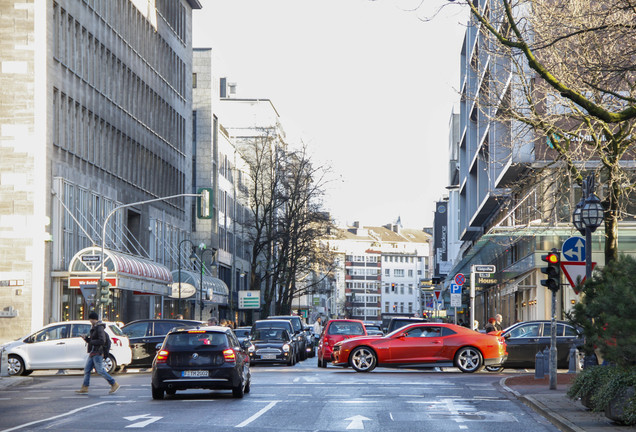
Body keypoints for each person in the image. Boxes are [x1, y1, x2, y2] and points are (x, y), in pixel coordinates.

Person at [76, 311, 119, 395]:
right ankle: (85, 387)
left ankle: (114, 383)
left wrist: (91, 341)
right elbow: (92, 341)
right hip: (93, 352)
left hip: (98, 352)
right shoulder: (95, 327)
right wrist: (86, 338)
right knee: (87, 370)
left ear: (94, 319)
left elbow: (102, 340)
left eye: (91, 319)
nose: (90, 321)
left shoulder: (99, 328)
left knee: (100, 370)